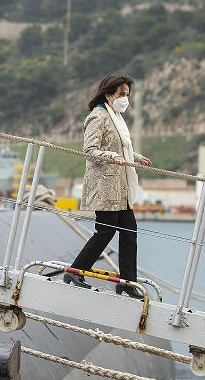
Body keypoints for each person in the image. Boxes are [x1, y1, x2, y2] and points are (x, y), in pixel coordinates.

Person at [63, 74, 153, 298]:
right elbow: (90, 151)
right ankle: (75, 271)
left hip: (120, 188)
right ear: (108, 94)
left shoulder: (116, 117)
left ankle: (127, 282)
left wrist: (136, 156)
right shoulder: (98, 116)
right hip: (105, 186)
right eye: (122, 94)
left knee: (129, 230)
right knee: (106, 231)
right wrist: (113, 157)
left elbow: (118, 147)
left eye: (127, 95)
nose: (125, 99)